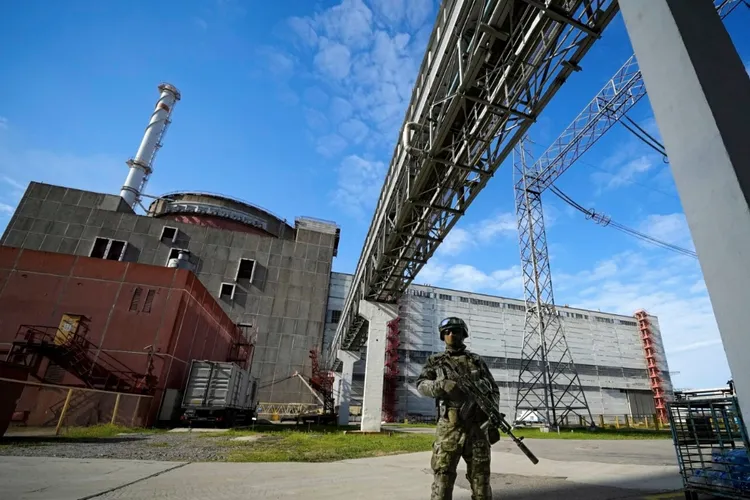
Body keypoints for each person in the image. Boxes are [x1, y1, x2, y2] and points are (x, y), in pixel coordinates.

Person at [416, 316, 500, 500]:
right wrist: (441, 385)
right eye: (447, 332)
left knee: (481, 481)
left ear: (464, 334)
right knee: (442, 478)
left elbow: (494, 390)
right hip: (449, 429)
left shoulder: (476, 361)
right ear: (442, 336)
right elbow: (421, 384)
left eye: (455, 331)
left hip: (477, 428)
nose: (451, 335)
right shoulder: (435, 361)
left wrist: (491, 414)